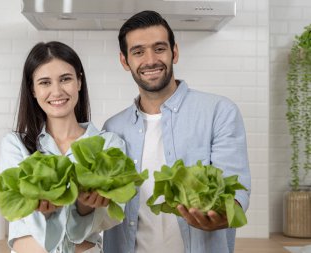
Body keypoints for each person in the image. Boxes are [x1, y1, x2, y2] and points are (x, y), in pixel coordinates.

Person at [102, 10, 251, 253]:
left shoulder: (219, 112)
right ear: (124, 61)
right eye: (138, 52)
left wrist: (221, 214)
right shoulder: (113, 128)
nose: (150, 60)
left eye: (159, 48)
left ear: (175, 52)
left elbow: (235, 196)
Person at [0, 41, 125, 253]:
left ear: (79, 82)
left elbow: (113, 215)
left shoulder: (109, 144)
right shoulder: (15, 144)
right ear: (33, 89)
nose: (56, 91)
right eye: (45, 82)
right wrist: (47, 212)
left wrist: (86, 208)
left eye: (65, 79)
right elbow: (18, 211)